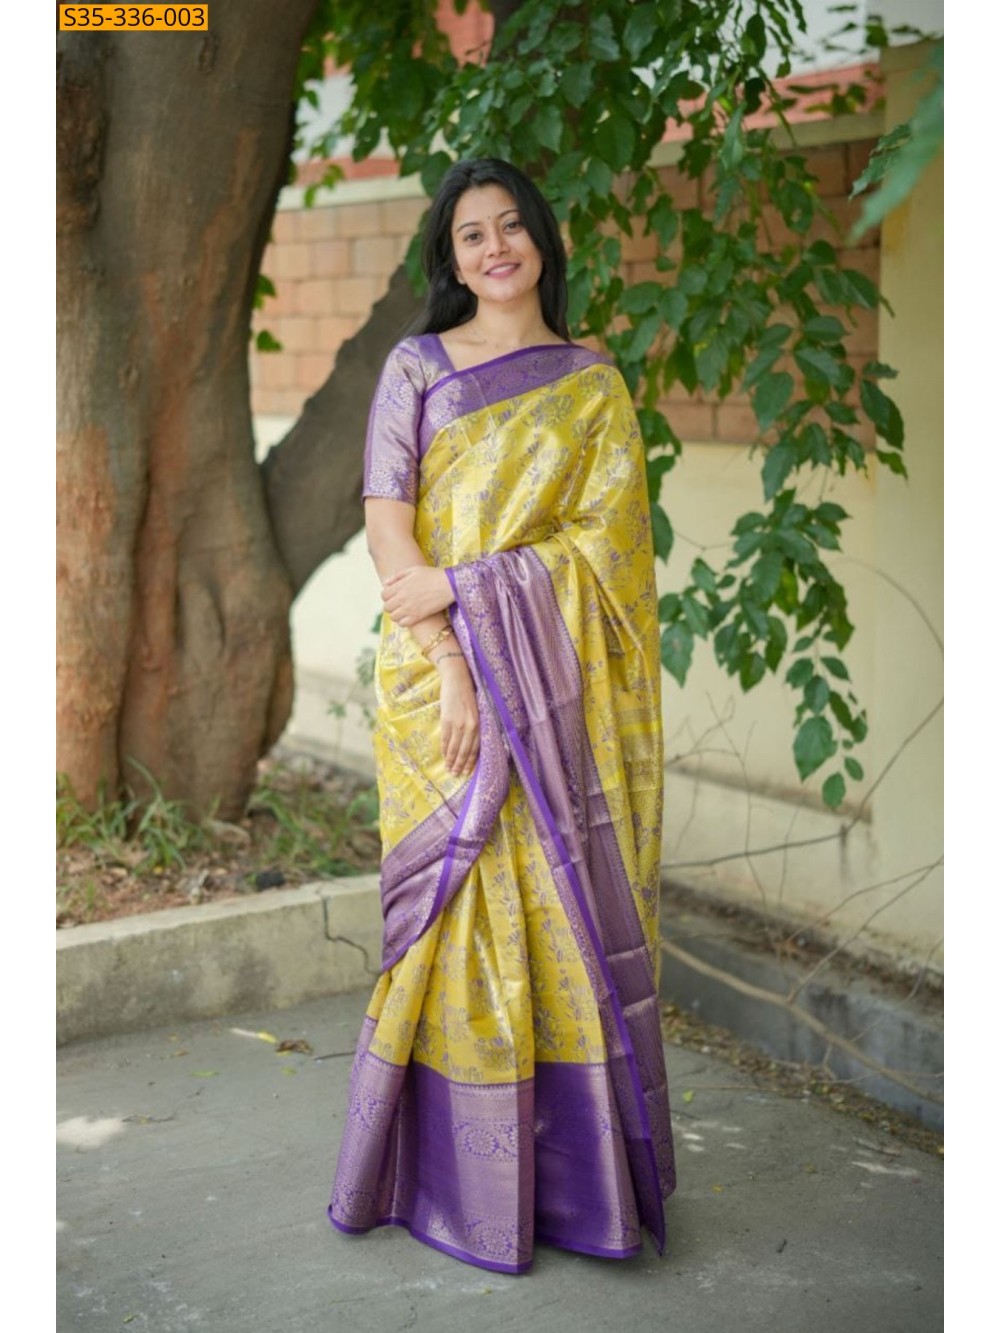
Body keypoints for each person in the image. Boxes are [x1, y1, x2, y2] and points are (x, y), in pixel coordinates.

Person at [327, 158, 675, 1274]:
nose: (495, 248)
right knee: (457, 917)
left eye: (512, 226)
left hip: (558, 694)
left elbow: (611, 558)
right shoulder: (416, 367)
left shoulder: (591, 382)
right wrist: (456, 661)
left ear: (542, 243)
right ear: (451, 258)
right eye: (472, 233)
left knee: (560, 923)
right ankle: (446, 1181)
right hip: (437, 683)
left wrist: (471, 587)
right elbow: (391, 527)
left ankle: (574, 1193)